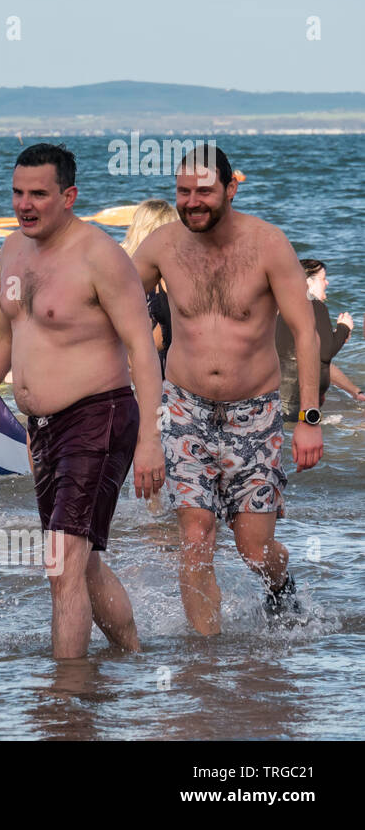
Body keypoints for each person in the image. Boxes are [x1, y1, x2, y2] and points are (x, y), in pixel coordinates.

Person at [0, 143, 163, 660]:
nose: (25, 204)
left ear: (68, 196)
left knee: (61, 561)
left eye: (39, 194)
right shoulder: (13, 251)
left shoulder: (101, 258)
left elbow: (142, 348)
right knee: (80, 561)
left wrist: (152, 440)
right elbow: (2, 334)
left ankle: (64, 701)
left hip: (99, 415)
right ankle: (131, 656)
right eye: (18, 193)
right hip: (41, 428)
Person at [132, 145, 323, 634]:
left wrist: (309, 420)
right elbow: (114, 309)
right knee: (196, 536)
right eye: (182, 192)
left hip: (255, 414)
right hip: (184, 408)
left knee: (254, 549)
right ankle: (207, 661)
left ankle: (281, 591)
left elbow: (306, 333)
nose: (192, 201)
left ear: (230, 188)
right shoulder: (161, 247)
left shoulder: (268, 244)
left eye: (203, 191)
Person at [275, 259, 352, 423]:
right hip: (300, 408)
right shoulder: (316, 306)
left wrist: (335, 336)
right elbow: (325, 353)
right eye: (323, 278)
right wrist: (344, 328)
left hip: (279, 403)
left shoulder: (284, 308)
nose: (327, 282)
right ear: (308, 283)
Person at [120, 199, 177, 376]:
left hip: (148, 368)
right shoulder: (176, 274)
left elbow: (164, 332)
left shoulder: (125, 271)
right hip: (164, 369)